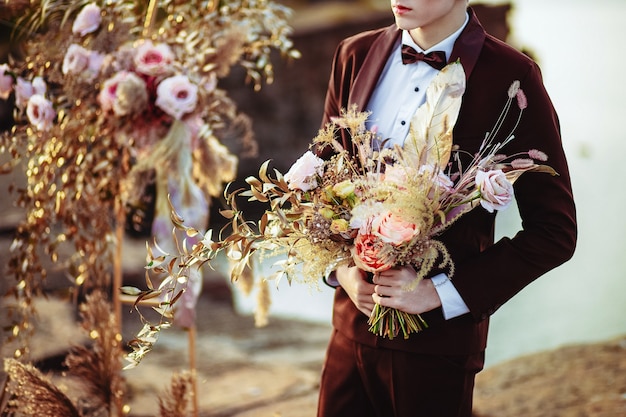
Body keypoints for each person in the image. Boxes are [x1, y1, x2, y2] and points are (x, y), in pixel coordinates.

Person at [315, 1, 577, 416]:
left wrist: (438, 293)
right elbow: (323, 180)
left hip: (437, 348)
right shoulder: (354, 53)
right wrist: (341, 270)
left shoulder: (513, 76)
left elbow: (554, 233)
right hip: (351, 327)